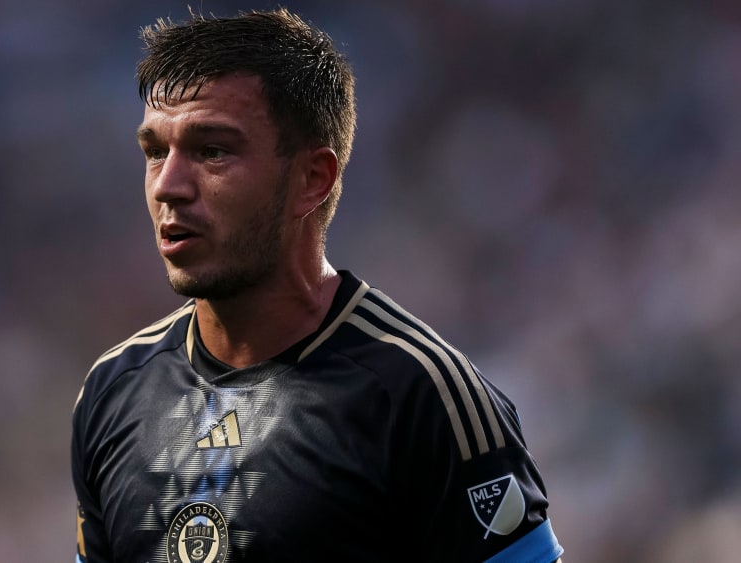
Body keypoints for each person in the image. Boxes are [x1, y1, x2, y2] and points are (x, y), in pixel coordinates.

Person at [70, 7, 564, 562]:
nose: (168, 186)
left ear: (312, 179)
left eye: (212, 151)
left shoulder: (423, 397)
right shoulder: (113, 391)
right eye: (155, 152)